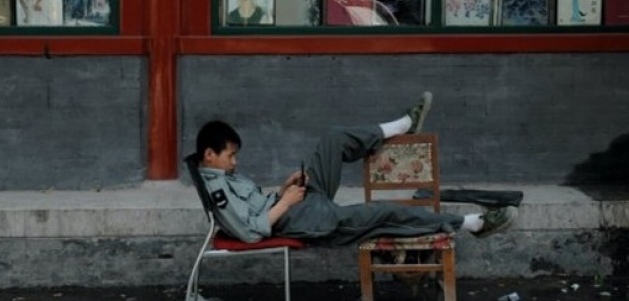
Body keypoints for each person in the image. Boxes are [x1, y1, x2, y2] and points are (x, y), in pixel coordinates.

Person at [194, 92, 518, 246]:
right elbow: (250, 231)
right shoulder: (218, 190)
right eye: (230, 156)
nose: (235, 162)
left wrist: (283, 190)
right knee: (382, 213)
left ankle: (400, 127)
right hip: (300, 220)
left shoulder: (224, 178)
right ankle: (470, 224)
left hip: (295, 205)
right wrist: (286, 203)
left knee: (333, 139)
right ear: (210, 155)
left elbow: (255, 207)